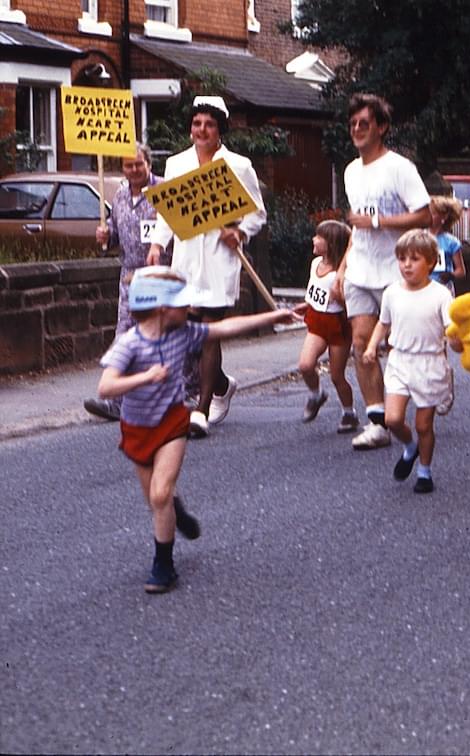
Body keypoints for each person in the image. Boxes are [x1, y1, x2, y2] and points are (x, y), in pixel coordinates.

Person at [97, 267, 302, 593]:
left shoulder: (185, 332)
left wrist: (273, 317)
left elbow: (224, 327)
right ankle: (175, 509)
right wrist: (145, 377)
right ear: (163, 308)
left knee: (159, 493)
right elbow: (106, 387)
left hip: (173, 421)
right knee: (156, 502)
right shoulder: (130, 344)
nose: (191, 309)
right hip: (136, 427)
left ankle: (163, 565)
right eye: (184, 304)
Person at [147, 96, 267, 439]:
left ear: (220, 129)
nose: (202, 130)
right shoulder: (176, 164)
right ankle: (223, 385)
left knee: (209, 328)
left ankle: (198, 411)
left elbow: (257, 212)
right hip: (186, 258)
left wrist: (240, 231)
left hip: (219, 257)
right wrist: (157, 244)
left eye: (209, 124)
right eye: (197, 123)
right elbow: (167, 213)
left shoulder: (238, 165)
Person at [338, 93, 432, 451]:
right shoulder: (349, 171)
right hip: (361, 270)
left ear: (382, 127)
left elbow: (423, 215)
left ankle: (430, 388)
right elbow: (357, 228)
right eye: (353, 124)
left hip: (397, 272)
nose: (358, 130)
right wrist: (342, 268)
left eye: (365, 123)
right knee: (361, 343)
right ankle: (377, 421)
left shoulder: (400, 168)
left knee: (401, 346)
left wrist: (378, 221)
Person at [361, 229, 463, 494]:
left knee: (423, 425)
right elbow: (383, 323)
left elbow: (451, 328)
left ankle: (424, 471)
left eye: (414, 259)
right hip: (400, 361)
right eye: (402, 258)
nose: (406, 265)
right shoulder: (392, 293)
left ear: (430, 262)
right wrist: (371, 347)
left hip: (429, 364)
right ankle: (410, 447)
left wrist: (456, 342)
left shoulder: (440, 295)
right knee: (393, 419)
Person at [84, 143, 169, 422]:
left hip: (161, 275)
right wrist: (105, 237)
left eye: (138, 164)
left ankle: (186, 395)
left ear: (149, 164)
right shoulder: (119, 196)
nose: (133, 170)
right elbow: (115, 238)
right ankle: (117, 402)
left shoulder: (165, 191)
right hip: (129, 278)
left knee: (166, 338)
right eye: (128, 165)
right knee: (124, 338)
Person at [298, 219, 358, 430]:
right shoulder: (315, 264)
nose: (314, 239)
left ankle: (349, 413)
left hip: (337, 325)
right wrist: (303, 306)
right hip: (317, 320)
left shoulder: (341, 275)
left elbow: (348, 305)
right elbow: (313, 293)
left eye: (319, 237)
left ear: (330, 243)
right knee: (305, 364)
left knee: (336, 375)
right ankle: (316, 395)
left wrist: (339, 296)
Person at [429, 195, 467, 295]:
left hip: (443, 288)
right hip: (423, 287)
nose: (429, 216)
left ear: (444, 217)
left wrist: (450, 275)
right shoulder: (419, 237)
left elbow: (461, 271)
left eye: (433, 214)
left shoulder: (451, 242)